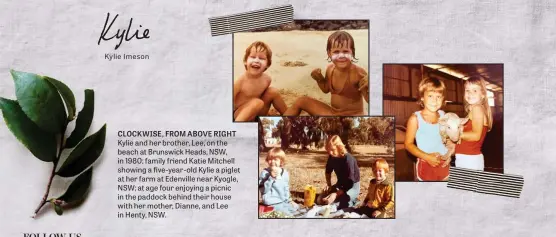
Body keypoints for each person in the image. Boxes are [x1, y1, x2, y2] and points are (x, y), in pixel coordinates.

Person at [283, 31, 368, 116]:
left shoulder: (358, 73)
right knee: (301, 101)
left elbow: (370, 100)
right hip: (333, 112)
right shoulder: (330, 69)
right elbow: (326, 89)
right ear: (329, 53)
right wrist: (319, 79)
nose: (341, 55)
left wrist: (371, 86)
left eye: (346, 51)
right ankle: (284, 125)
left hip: (353, 115)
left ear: (352, 52)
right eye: (336, 52)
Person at [405, 77, 450, 181]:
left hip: (444, 165)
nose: (434, 100)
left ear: (443, 98)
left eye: (438, 96)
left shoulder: (444, 116)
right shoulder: (415, 119)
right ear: (422, 97)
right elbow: (408, 144)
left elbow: (447, 139)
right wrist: (427, 157)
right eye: (430, 96)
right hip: (425, 165)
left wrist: (448, 154)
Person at [234, 41, 287, 122]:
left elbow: (263, 99)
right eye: (252, 57)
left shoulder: (267, 79)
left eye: (261, 58)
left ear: (268, 64)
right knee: (257, 102)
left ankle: (290, 117)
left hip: (256, 113)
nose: (257, 60)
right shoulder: (240, 82)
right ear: (245, 61)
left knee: (272, 91)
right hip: (238, 115)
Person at [455, 76, 493, 170]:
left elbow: (476, 135)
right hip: (468, 158)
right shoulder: (474, 110)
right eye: (467, 90)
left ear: (483, 94)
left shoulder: (477, 109)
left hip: (469, 160)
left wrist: (455, 134)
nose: (470, 93)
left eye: (475, 90)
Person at [317, 135, 360, 209]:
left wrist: (336, 194)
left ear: (339, 147)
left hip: (352, 186)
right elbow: (328, 172)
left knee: (338, 205)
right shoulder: (331, 157)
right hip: (340, 185)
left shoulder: (348, 159)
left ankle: (354, 199)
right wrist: (329, 186)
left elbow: (350, 183)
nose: (330, 152)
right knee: (320, 200)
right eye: (328, 150)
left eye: (332, 149)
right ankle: (340, 198)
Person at [258, 148, 297, 215]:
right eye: (270, 159)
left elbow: (286, 187)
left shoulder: (285, 173)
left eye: (275, 159)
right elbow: (263, 190)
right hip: (271, 202)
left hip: (282, 201)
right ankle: (266, 209)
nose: (272, 161)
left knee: (295, 208)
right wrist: (271, 178)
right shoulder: (265, 173)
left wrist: (289, 200)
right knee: (288, 215)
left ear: (281, 162)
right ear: (267, 160)